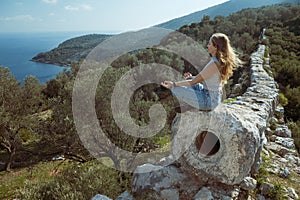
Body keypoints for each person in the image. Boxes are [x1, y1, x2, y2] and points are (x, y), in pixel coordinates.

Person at [161, 33, 242, 111]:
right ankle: (193, 104)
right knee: (187, 82)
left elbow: (193, 82)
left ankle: (195, 105)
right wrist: (191, 77)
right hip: (208, 93)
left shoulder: (214, 64)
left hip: (209, 100)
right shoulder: (216, 61)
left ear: (216, 47)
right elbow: (203, 78)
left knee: (175, 89)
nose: (207, 46)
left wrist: (173, 84)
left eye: (210, 44)